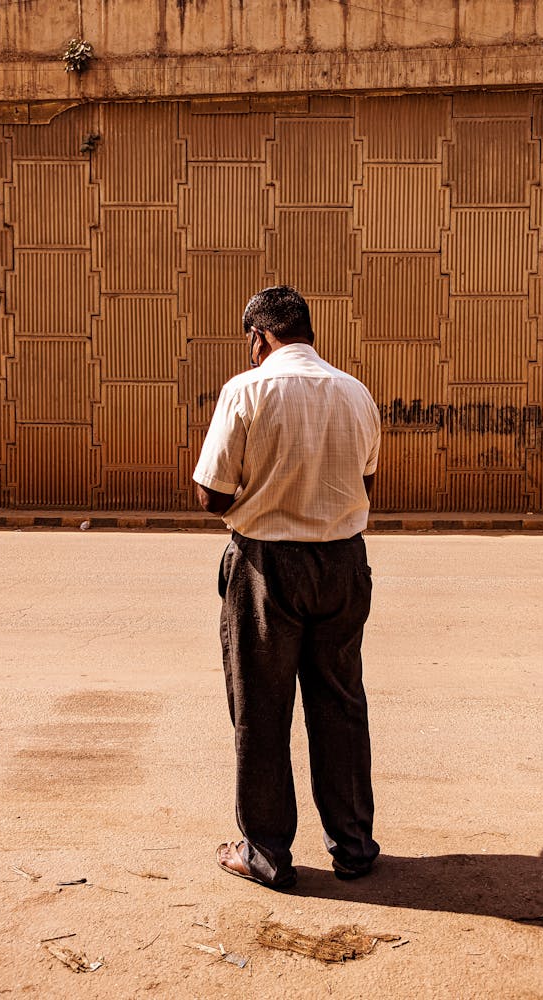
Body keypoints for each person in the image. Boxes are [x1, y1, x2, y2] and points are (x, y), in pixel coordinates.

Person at [192, 285, 381, 890]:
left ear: (258, 337)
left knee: (262, 710)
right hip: (344, 564)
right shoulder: (356, 392)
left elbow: (212, 494)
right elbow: (366, 482)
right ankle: (352, 846)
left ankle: (267, 853)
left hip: (267, 565)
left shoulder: (245, 390)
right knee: (340, 705)